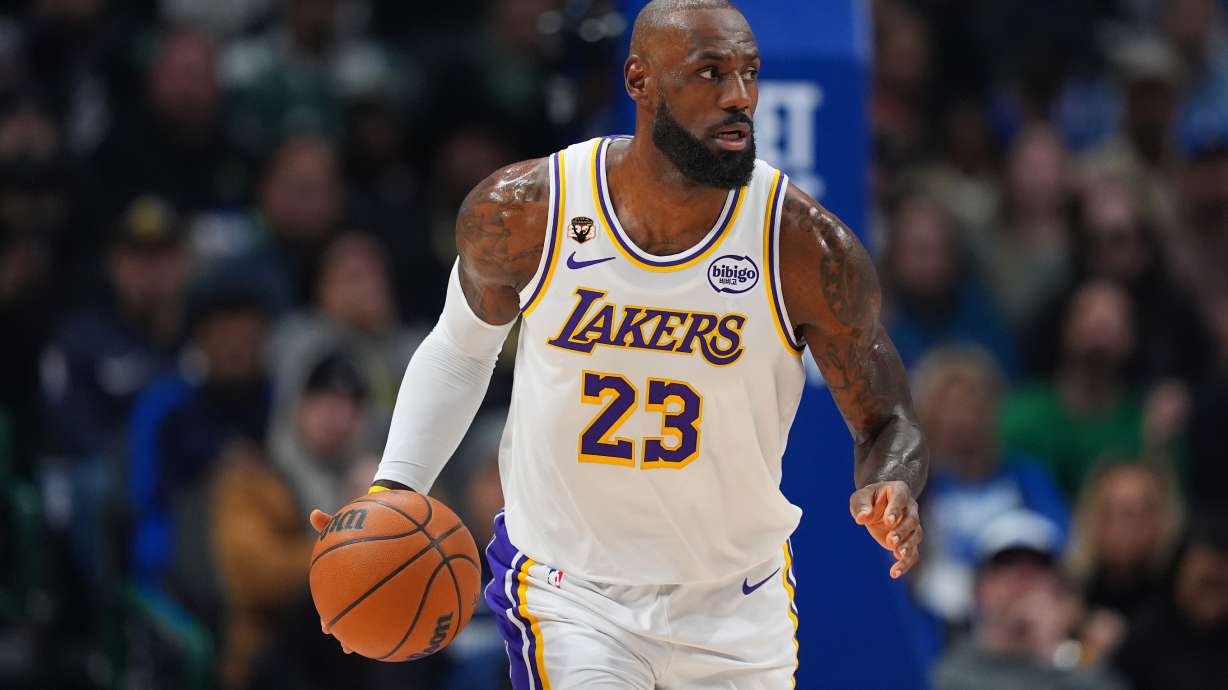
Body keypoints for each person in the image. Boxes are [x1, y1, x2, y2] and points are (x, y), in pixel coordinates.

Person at [311, 2, 930, 687]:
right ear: (639, 80)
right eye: (710, 73)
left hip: (734, 601)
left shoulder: (803, 246)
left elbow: (885, 418)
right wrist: (396, 486)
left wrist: (892, 483)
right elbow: (460, 352)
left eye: (749, 74)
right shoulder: (525, 211)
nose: (739, 98)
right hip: (570, 591)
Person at [909, 346, 1068, 627]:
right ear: (929, 414)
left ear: (993, 410)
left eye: (972, 402)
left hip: (1024, 611)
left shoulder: (1025, 477)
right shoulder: (918, 489)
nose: (962, 417)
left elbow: (1060, 544)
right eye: (950, 405)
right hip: (941, 622)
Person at [932, 510, 1126, 690]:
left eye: (1038, 566)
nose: (1023, 578)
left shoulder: (1078, 659)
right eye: (1006, 565)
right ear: (979, 589)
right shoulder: (955, 669)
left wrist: (1053, 651)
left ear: (1059, 589)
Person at [1111, 512, 1228, 690]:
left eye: (1220, 587)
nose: (1211, 601)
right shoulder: (1145, 637)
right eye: (1205, 584)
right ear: (1178, 576)